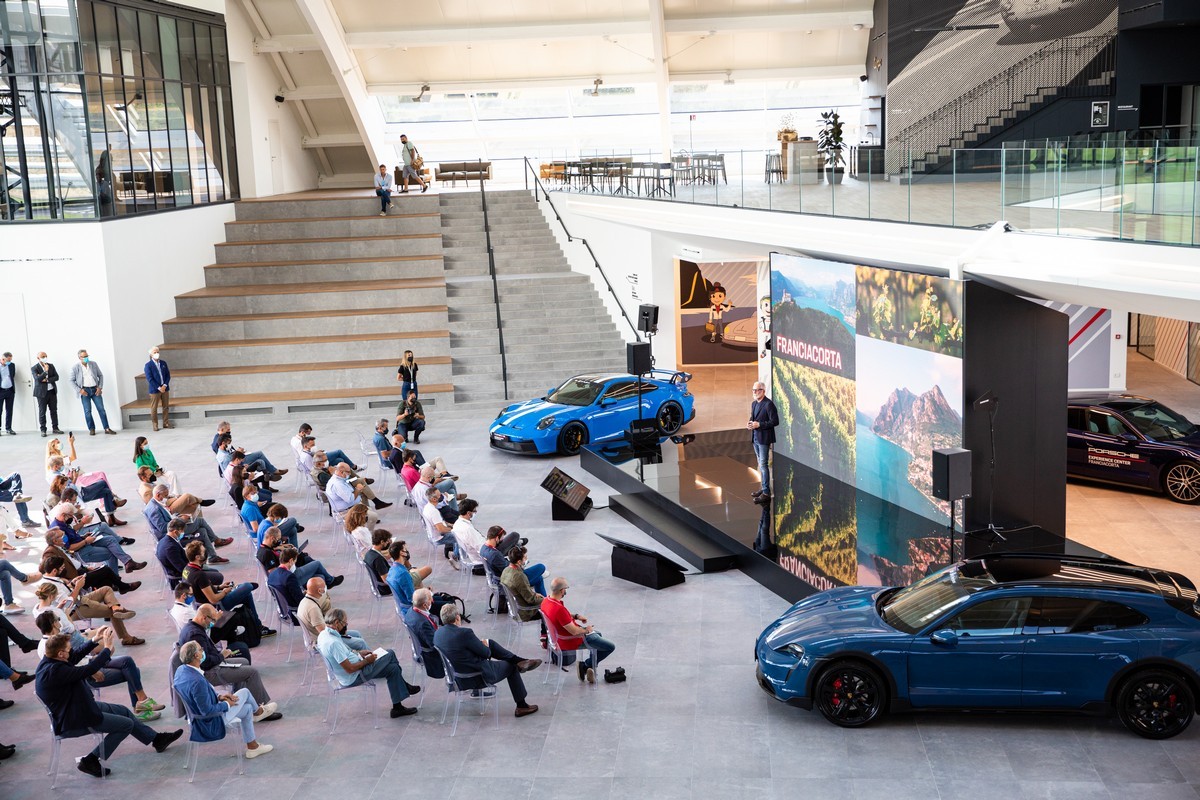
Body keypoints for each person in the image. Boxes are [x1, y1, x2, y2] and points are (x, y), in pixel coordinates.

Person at [36, 631, 183, 776]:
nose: (71, 652)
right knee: (126, 725)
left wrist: (94, 640)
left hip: (80, 707)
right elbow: (89, 669)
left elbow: (74, 657)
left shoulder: (50, 661)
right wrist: (106, 649)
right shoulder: (55, 671)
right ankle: (91, 760)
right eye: (69, 650)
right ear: (61, 654)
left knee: (123, 711)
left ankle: (157, 740)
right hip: (75, 719)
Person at [33, 612, 163, 719]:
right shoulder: (47, 647)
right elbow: (71, 670)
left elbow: (74, 656)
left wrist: (96, 638)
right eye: (58, 619)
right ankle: (140, 708)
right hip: (86, 675)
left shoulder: (56, 640)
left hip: (89, 663)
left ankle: (142, 702)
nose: (60, 622)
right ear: (53, 623)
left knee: (127, 662)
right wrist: (103, 653)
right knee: (132, 671)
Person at [433, 603, 540, 717]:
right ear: (457, 617)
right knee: (511, 667)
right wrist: (484, 646)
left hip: (457, 678)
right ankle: (521, 706)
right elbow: (486, 653)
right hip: (477, 677)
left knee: (490, 643)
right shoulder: (464, 633)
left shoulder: (437, 634)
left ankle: (520, 660)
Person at [176, 604, 281, 719]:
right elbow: (205, 662)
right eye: (213, 620)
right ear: (204, 618)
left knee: (244, 661)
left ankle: (238, 702)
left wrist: (221, 655)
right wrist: (222, 656)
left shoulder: (193, 627)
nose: (213, 624)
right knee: (252, 672)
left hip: (211, 665)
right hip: (208, 672)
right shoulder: (195, 635)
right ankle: (260, 712)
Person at [174, 639, 273, 759]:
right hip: (209, 723)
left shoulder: (181, 671)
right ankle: (258, 712)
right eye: (201, 649)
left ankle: (253, 747)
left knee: (247, 709)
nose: (203, 651)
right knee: (245, 692)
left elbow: (199, 697)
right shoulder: (197, 681)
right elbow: (207, 710)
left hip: (198, 716)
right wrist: (226, 704)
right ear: (196, 656)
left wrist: (219, 697)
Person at [316, 607, 419, 717]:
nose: (346, 625)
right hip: (355, 675)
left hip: (355, 668)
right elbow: (349, 669)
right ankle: (405, 686)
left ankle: (397, 708)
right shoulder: (333, 643)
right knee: (390, 653)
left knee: (393, 669)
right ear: (336, 623)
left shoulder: (324, 634)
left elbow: (345, 654)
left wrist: (359, 653)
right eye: (345, 623)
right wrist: (366, 661)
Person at [181, 540, 275, 639]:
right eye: (203, 552)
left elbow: (201, 589)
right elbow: (213, 599)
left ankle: (257, 626)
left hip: (201, 604)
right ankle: (247, 588)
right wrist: (225, 592)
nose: (206, 552)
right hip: (216, 606)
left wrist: (219, 587)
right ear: (198, 557)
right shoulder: (199, 575)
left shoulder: (187, 569)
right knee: (246, 587)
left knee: (247, 595)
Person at [35, 566, 145, 646]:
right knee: (112, 613)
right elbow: (70, 604)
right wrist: (78, 587)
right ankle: (125, 637)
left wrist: (72, 585)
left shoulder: (39, 607)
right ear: (50, 596)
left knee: (106, 589)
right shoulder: (52, 610)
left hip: (79, 600)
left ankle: (116, 607)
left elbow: (63, 604)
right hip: (77, 608)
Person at [541, 576, 616, 684]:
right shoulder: (559, 609)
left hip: (558, 638)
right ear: (562, 590)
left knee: (598, 635)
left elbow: (561, 618)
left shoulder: (546, 601)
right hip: (570, 640)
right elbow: (575, 631)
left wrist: (576, 616)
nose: (565, 591)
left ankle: (588, 666)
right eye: (565, 589)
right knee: (610, 646)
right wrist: (587, 630)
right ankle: (586, 665)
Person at [41, 528, 141, 596]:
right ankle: (123, 586)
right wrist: (63, 579)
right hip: (75, 578)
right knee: (106, 570)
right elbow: (43, 569)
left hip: (82, 570)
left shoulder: (60, 547)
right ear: (55, 540)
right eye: (61, 536)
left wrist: (86, 567)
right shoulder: (50, 552)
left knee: (104, 581)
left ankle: (110, 609)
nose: (64, 536)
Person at [49, 502, 143, 572]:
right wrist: (85, 541)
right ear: (63, 515)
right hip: (81, 551)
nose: (72, 518)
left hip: (83, 542)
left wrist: (83, 536)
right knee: (111, 552)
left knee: (110, 539)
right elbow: (70, 548)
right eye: (71, 516)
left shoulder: (63, 522)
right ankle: (115, 580)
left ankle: (128, 562)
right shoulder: (58, 529)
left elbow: (72, 535)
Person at [257, 527, 342, 587]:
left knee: (320, 576)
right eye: (278, 539)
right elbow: (274, 573)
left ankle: (324, 583)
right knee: (317, 564)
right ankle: (331, 581)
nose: (279, 541)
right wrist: (289, 563)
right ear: (272, 538)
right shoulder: (267, 554)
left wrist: (281, 548)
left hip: (290, 573)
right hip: (291, 577)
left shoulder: (263, 549)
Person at [297, 577, 365, 649]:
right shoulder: (313, 609)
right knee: (361, 643)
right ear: (319, 590)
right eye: (324, 587)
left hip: (315, 635)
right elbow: (325, 633)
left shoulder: (304, 601)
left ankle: (360, 657)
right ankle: (369, 658)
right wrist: (339, 628)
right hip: (320, 641)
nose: (325, 589)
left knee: (356, 634)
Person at [501, 547, 548, 643]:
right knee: (551, 605)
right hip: (525, 611)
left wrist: (535, 594)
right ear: (519, 561)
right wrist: (548, 600)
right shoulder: (519, 576)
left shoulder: (506, 570)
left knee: (539, 579)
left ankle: (545, 634)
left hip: (515, 607)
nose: (526, 559)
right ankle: (546, 634)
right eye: (525, 558)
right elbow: (531, 600)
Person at [69, 349, 116, 435]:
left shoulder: (93, 364)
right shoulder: (75, 367)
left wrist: (100, 387)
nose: (86, 358)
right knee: (87, 411)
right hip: (85, 391)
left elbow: (100, 375)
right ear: (80, 357)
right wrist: (80, 390)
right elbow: (71, 381)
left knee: (101, 409)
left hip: (95, 389)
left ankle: (107, 428)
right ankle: (92, 429)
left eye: (87, 356)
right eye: (84, 356)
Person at [748, 381, 779, 503]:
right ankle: (763, 487)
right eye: (753, 390)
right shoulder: (754, 404)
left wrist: (759, 424)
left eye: (757, 390)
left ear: (763, 391)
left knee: (764, 465)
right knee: (760, 464)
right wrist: (750, 423)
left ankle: (766, 492)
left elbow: (775, 421)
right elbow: (753, 418)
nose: (755, 392)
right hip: (755, 437)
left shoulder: (769, 404)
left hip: (764, 439)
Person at [421, 487, 459, 568]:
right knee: (461, 536)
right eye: (439, 495)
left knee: (459, 532)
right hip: (439, 537)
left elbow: (439, 523)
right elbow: (441, 529)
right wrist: (453, 529)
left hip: (433, 535)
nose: (442, 496)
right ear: (434, 499)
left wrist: (450, 525)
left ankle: (456, 553)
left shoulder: (427, 507)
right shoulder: (434, 512)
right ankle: (455, 556)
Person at [31, 352, 63, 437]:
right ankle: (43, 430)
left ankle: (55, 428)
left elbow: (57, 377)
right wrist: (45, 372)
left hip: (52, 392)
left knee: (54, 411)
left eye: (45, 356)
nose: (45, 358)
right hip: (41, 394)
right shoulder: (34, 368)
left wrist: (47, 379)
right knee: (42, 412)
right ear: (38, 358)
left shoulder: (51, 365)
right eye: (42, 356)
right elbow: (37, 379)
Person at [143, 346, 171, 430]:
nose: (156, 354)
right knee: (154, 408)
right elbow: (150, 378)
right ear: (151, 355)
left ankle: (166, 423)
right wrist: (159, 387)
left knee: (165, 406)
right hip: (155, 390)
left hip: (165, 388)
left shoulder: (163, 363)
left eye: (157, 352)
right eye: (154, 352)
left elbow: (168, 375)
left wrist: (165, 385)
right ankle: (155, 425)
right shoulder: (148, 365)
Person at [384, 541, 417, 613]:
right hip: (412, 609)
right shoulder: (403, 573)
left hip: (403, 607)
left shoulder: (392, 569)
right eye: (405, 549)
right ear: (401, 553)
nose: (407, 551)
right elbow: (412, 599)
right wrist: (427, 594)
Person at [362, 529, 393, 595]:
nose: (388, 543)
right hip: (386, 589)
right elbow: (387, 580)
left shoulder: (369, 553)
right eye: (387, 541)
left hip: (378, 586)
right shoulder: (378, 559)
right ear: (382, 542)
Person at [0, 352, 15, 435]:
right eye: (8, 360)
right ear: (3, 359)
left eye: (10, 360)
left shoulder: (12, 365)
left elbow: (12, 376)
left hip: (10, 391)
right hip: (1, 391)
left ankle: (9, 428)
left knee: (9, 410)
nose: (10, 362)